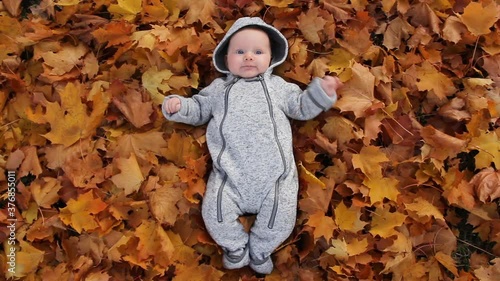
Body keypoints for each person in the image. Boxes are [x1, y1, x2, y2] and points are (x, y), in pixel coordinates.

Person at [162, 17, 343, 274]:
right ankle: (235, 248)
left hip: (275, 178)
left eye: (258, 52)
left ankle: (260, 251)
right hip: (229, 176)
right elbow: (199, 109)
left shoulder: (278, 88)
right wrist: (179, 107)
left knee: (281, 218)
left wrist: (321, 92)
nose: (248, 57)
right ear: (226, 60)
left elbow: (301, 106)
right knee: (215, 213)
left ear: (271, 58)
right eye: (240, 52)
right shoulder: (218, 90)